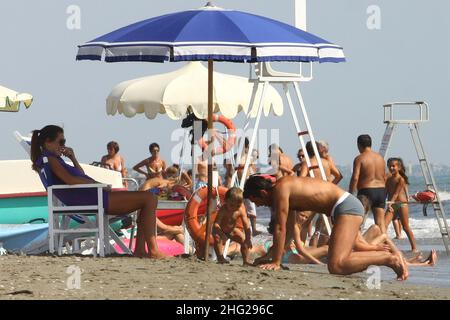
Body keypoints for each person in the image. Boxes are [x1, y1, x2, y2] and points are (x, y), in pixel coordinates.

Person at [30, 125, 166, 259]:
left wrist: (73, 158)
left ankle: (141, 250)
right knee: (149, 198)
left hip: (88, 198)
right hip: (91, 199)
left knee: (147, 199)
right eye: (61, 141)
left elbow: (80, 175)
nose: (63, 145)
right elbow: (70, 180)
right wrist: (96, 184)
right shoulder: (51, 159)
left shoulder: (50, 159)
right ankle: (152, 251)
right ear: (48, 141)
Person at [243, 175, 408, 280]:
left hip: (345, 207)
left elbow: (280, 228)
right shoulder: (285, 187)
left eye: (258, 202)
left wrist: (277, 262)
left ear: (263, 193)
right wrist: (271, 257)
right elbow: (288, 231)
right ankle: (386, 255)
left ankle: (388, 258)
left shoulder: (281, 190)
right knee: (351, 252)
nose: (261, 206)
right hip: (342, 209)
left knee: (337, 265)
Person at [349, 134, 387, 233]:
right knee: (380, 223)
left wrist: (350, 193)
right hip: (381, 191)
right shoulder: (380, 158)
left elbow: (355, 177)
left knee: (359, 221)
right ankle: (385, 246)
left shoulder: (360, 158)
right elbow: (384, 177)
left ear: (359, 145)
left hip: (366, 191)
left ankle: (357, 245)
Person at [384, 158, 418, 252]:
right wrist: (382, 201)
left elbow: (396, 193)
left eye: (393, 166)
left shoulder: (401, 179)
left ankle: (414, 247)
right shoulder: (388, 179)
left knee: (405, 227)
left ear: (398, 167)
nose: (391, 168)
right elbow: (386, 192)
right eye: (389, 166)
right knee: (383, 225)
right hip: (392, 204)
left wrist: (390, 203)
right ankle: (386, 247)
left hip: (401, 204)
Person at [213, 188, 252, 265]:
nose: (234, 208)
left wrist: (248, 238)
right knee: (217, 238)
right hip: (220, 230)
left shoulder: (240, 210)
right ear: (226, 201)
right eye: (231, 205)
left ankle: (246, 261)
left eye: (237, 206)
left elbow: (246, 225)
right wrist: (221, 234)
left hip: (232, 230)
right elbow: (216, 224)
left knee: (244, 240)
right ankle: (220, 258)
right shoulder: (223, 210)